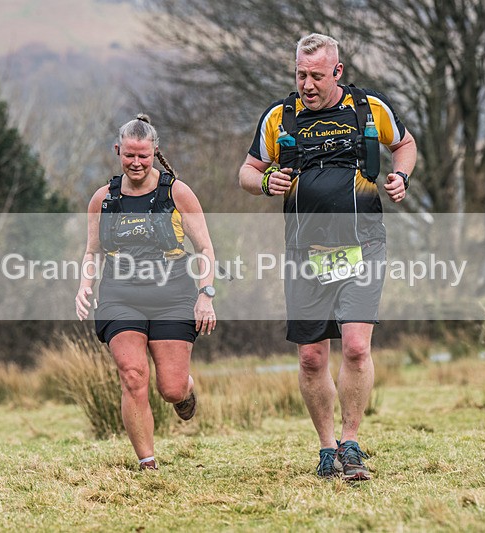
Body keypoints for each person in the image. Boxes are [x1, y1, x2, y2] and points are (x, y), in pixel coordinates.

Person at [238, 33, 417, 480]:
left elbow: (406, 144)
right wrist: (264, 184)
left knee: (356, 347)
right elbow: (247, 170)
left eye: (316, 75)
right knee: (312, 358)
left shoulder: (369, 109)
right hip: (305, 253)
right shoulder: (280, 117)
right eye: (300, 74)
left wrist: (401, 177)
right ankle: (326, 448)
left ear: (337, 72)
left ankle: (351, 442)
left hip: (364, 245)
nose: (307, 84)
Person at [75, 114, 217, 470]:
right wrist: (84, 286)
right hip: (120, 297)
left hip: (173, 297)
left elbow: (205, 249)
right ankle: (147, 462)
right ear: (117, 151)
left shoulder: (177, 193)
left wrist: (206, 294)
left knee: (170, 389)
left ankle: (185, 387)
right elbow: (92, 251)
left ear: (155, 152)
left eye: (144, 156)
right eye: (129, 156)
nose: (136, 163)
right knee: (133, 375)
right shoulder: (103, 199)